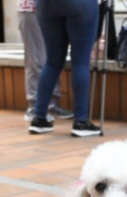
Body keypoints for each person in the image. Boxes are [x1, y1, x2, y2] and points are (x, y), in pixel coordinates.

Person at [29, 0, 100, 137]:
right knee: (80, 62)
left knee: (52, 62)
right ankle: (81, 122)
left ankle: (39, 118)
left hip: (45, 4)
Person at [18, 0, 73, 123]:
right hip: (32, 9)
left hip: (52, 9)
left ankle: (51, 105)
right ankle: (34, 107)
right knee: (37, 60)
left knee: (53, 60)